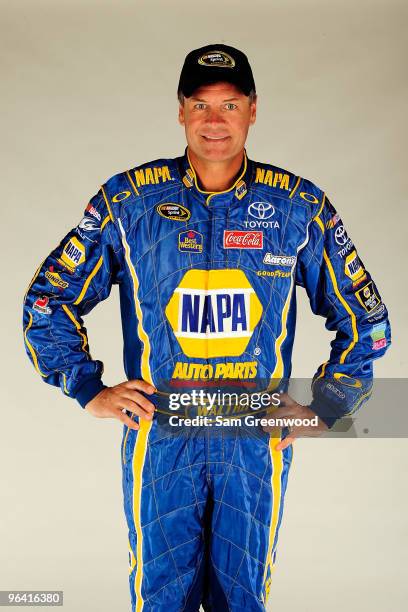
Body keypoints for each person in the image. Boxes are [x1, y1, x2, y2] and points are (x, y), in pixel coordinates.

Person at [23, 44, 391, 611]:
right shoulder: (130, 203)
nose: (214, 121)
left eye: (228, 104)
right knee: (159, 601)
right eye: (200, 105)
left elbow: (367, 321)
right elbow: (47, 299)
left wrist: (328, 404)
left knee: (242, 603)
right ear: (180, 112)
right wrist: (87, 389)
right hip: (162, 433)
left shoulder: (295, 206)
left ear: (252, 109)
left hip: (252, 438)